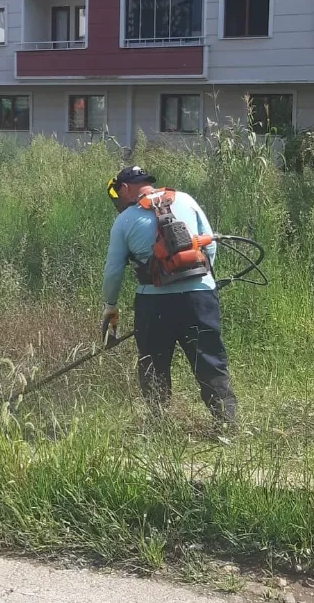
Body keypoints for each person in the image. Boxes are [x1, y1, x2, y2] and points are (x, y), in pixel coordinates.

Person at [101, 166, 237, 427]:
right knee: (209, 360)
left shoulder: (125, 220)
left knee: (154, 363)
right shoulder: (186, 199)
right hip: (200, 299)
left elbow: (114, 270)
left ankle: (157, 424)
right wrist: (203, 282)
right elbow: (211, 244)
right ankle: (227, 425)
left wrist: (111, 305)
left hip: (153, 304)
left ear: (126, 189)